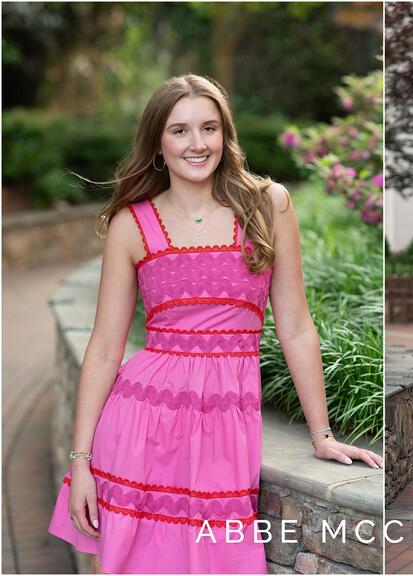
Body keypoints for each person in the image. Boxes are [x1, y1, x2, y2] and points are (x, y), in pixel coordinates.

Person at [47, 74, 383, 573]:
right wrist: (80, 464)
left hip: (227, 423)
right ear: (158, 143)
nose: (197, 144)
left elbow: (295, 325)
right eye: (180, 131)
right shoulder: (130, 225)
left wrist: (322, 433)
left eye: (209, 128)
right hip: (140, 425)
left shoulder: (268, 205)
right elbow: (102, 349)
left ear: (226, 135)